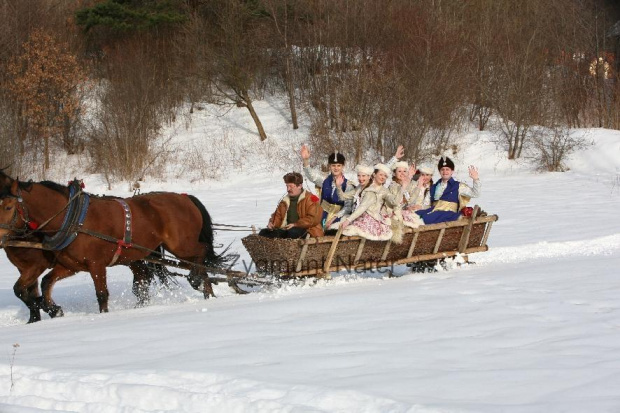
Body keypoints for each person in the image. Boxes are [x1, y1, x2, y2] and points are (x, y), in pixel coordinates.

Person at [339, 164, 401, 241]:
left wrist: (402, 188)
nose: (382, 177)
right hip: (358, 215)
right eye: (381, 174)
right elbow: (343, 197)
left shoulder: (380, 191)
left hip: (370, 218)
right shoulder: (363, 186)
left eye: (385, 176)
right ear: (374, 175)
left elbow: (363, 207)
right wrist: (338, 186)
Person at [301, 145, 354, 230]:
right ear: (329, 166)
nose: (336, 168)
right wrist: (306, 160)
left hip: (339, 216)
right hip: (322, 212)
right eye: (333, 165)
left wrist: (333, 219)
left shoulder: (348, 185)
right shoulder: (324, 180)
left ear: (343, 166)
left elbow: (348, 207)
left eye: (338, 165)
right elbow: (311, 176)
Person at [415, 156, 480, 224]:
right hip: (434, 213)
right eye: (442, 169)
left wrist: (475, 179)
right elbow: (427, 205)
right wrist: (418, 208)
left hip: (449, 214)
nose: (445, 171)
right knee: (414, 215)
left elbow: (476, 193)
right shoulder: (433, 187)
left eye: (447, 169)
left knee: (425, 219)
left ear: (452, 171)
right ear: (440, 171)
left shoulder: (458, 186)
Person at [259, 172, 324, 239]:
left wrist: (296, 224)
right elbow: (278, 215)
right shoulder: (285, 201)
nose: (288, 189)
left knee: (293, 232)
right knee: (263, 233)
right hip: (288, 230)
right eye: (287, 186)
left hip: (308, 231)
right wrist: (272, 223)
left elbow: (313, 219)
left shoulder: (311, 199)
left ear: (300, 186)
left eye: (291, 186)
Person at [327, 164, 374, 231]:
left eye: (363, 176)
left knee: (343, 229)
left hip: (366, 219)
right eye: (359, 176)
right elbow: (343, 197)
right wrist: (338, 186)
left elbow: (361, 208)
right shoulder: (359, 188)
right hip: (356, 217)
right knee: (333, 227)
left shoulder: (370, 191)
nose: (361, 179)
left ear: (369, 176)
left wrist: (348, 221)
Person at [388, 161, 425, 233]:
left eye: (404, 171)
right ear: (395, 173)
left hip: (406, 211)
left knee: (420, 216)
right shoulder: (393, 186)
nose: (402, 173)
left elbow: (411, 200)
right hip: (395, 212)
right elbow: (396, 203)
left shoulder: (409, 184)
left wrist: (419, 185)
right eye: (399, 171)